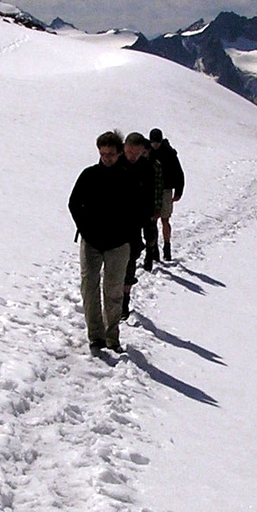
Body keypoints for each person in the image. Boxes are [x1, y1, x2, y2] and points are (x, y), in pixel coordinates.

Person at [68, 131, 135, 353]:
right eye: (103, 154)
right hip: (92, 242)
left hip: (118, 244)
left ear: (119, 153)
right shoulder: (89, 175)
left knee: (113, 291)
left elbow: (137, 212)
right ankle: (95, 336)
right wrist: (86, 228)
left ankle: (112, 338)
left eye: (111, 154)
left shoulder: (127, 177)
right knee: (89, 287)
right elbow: (74, 203)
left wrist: (130, 238)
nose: (106, 158)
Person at [119, 132, 159, 317]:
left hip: (135, 223)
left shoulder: (147, 168)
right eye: (128, 152)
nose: (131, 156)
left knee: (130, 260)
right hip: (115, 223)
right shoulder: (116, 164)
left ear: (143, 151)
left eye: (136, 153)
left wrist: (149, 217)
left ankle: (124, 300)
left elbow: (150, 196)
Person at [148, 128, 185, 262]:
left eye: (157, 142)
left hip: (166, 190)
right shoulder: (149, 152)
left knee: (164, 219)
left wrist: (178, 191)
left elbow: (179, 172)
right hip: (152, 190)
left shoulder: (169, 153)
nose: (155, 144)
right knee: (153, 220)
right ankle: (154, 250)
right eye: (153, 142)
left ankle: (167, 246)